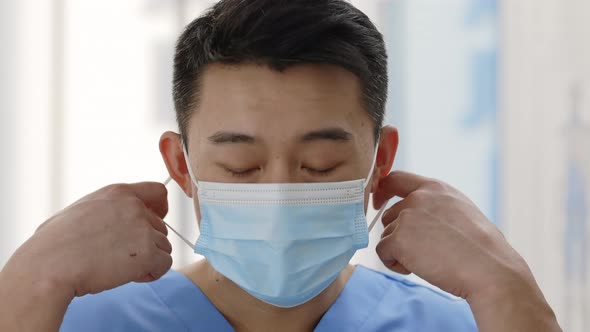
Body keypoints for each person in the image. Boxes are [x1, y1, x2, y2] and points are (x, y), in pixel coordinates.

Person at [0, 0, 562, 331]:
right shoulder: (64, 320)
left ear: (379, 161)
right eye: (241, 165)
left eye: (320, 164)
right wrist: (29, 281)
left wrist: (505, 286)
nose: (278, 193)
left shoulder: (468, 324)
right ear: (182, 164)